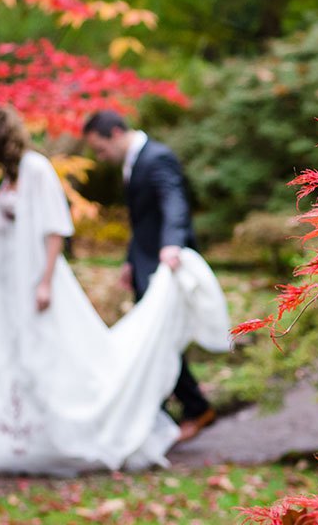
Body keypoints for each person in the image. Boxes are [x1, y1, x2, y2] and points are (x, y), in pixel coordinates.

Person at [0, 105, 230, 475]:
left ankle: (170, 412)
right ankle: (17, 436)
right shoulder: (10, 175)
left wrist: (45, 282)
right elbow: (137, 221)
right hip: (9, 282)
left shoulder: (39, 168)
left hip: (39, 278)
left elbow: (55, 227)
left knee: (58, 353)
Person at [82, 110, 216, 442]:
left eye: (100, 148)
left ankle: (193, 408)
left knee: (161, 338)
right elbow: (141, 220)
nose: (101, 157)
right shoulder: (133, 162)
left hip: (164, 265)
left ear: (115, 132)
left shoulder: (157, 157)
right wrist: (130, 261)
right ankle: (170, 411)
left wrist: (172, 244)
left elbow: (174, 203)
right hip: (144, 264)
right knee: (156, 338)